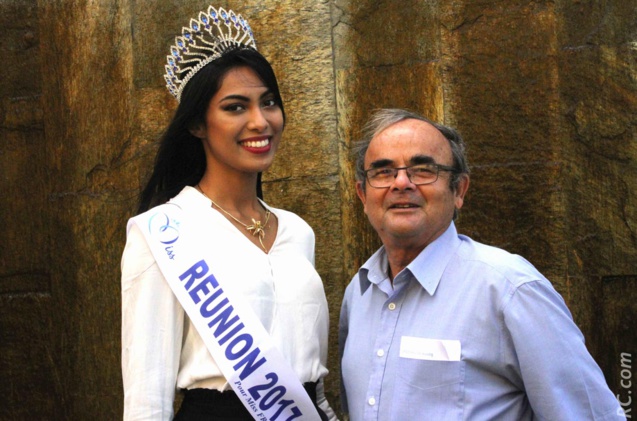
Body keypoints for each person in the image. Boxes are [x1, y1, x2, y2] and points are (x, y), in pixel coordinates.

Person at [338, 108, 625, 420]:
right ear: (362, 195)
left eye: (422, 169)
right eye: (383, 172)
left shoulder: (510, 290)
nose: (401, 182)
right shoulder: (360, 293)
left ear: (459, 190)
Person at [121, 6, 336, 420]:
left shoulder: (298, 231)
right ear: (198, 124)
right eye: (235, 107)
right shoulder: (163, 232)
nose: (261, 121)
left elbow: (309, 368)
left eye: (268, 102)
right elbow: (147, 396)